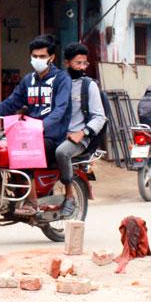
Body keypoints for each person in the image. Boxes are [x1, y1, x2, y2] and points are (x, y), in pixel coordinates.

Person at [0, 34, 72, 216]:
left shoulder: (62, 80)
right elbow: (10, 104)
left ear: (51, 57)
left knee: (24, 151)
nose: (38, 60)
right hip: (28, 133)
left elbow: (60, 110)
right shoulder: (28, 80)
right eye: (35, 56)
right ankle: (3, 195)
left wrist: (41, 127)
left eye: (42, 56)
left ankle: (32, 202)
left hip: (51, 135)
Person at [58, 42, 106, 217]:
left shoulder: (89, 86)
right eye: (78, 63)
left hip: (79, 137)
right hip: (57, 134)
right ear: (67, 63)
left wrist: (83, 132)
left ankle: (69, 196)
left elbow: (100, 117)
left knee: (62, 153)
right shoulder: (57, 83)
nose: (82, 67)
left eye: (84, 63)